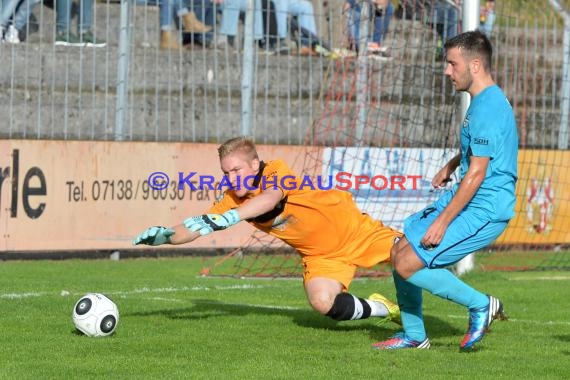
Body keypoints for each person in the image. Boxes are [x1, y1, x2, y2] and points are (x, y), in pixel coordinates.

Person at [133, 136, 403, 326]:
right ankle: (385, 308)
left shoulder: (275, 171)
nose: (231, 177)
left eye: (236, 169)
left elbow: (270, 199)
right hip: (321, 255)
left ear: (254, 164)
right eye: (226, 172)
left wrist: (230, 217)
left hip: (355, 231)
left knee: (420, 258)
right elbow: (196, 226)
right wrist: (167, 236)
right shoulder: (231, 198)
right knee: (322, 302)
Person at [373, 30, 517, 350]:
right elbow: (479, 156)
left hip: (485, 208)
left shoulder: (489, 107)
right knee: (399, 250)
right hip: (468, 197)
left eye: (452, 64)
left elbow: (478, 172)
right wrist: (453, 164)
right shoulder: (483, 102)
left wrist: (442, 222)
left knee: (409, 262)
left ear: (475, 65)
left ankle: (481, 304)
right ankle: (414, 336)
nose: (446, 71)